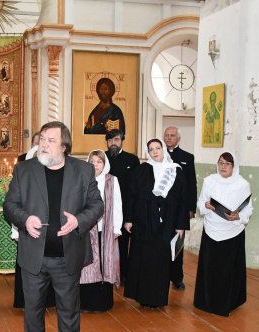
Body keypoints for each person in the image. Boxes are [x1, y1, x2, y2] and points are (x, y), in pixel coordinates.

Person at [4, 121, 104, 332]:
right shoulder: (24, 169)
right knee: (33, 311)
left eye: (50, 140)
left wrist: (79, 221)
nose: (43, 144)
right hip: (33, 257)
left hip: (67, 256)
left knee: (69, 311)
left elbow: (96, 205)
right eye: (42, 139)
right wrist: (25, 219)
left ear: (64, 146)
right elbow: (10, 205)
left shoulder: (83, 170)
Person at [123, 138, 189, 309]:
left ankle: (157, 299)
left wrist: (181, 225)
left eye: (157, 148)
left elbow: (183, 200)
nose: (155, 152)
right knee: (143, 260)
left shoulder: (176, 170)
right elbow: (130, 197)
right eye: (151, 149)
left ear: (163, 149)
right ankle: (143, 297)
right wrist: (128, 219)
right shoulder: (141, 170)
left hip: (167, 223)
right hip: (143, 222)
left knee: (160, 262)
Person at [194, 152, 253, 317]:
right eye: (221, 163)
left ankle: (228, 302)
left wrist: (238, 217)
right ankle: (205, 302)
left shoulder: (242, 184)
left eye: (227, 164)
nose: (223, 167)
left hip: (232, 232)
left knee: (227, 271)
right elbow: (201, 202)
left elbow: (248, 208)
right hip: (211, 230)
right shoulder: (209, 180)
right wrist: (206, 205)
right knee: (210, 269)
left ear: (234, 166)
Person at [11, 145, 57, 309]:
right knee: (29, 271)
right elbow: (14, 207)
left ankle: (48, 301)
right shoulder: (23, 176)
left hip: (49, 233)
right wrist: (15, 231)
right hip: (27, 232)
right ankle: (26, 302)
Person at [79, 150, 122, 312]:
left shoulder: (112, 180)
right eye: (92, 161)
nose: (95, 165)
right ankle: (86, 302)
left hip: (106, 229)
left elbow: (117, 204)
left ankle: (103, 302)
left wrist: (117, 227)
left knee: (104, 263)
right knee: (88, 264)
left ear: (105, 164)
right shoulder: (82, 179)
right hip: (87, 229)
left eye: (99, 162)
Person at [163, 126, 197, 291]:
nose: (169, 138)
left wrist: (191, 208)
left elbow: (191, 185)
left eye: (172, 135)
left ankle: (177, 278)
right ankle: (162, 276)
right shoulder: (159, 156)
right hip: (163, 209)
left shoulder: (187, 157)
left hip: (180, 209)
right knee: (162, 244)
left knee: (178, 244)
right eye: (166, 135)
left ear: (179, 138)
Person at [105, 129, 139, 285]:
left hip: (125, 208)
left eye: (116, 139)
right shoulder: (102, 158)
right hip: (104, 209)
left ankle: (124, 275)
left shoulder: (132, 160)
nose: (113, 143)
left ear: (122, 141)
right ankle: (105, 273)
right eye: (110, 140)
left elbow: (135, 188)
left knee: (123, 243)